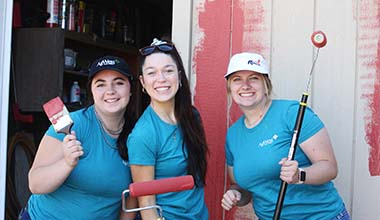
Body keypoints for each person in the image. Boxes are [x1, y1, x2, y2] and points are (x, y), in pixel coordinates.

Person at [221, 52, 350, 220]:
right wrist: (235, 194)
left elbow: (329, 167)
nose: (245, 85)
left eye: (254, 78)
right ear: (230, 88)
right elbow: (243, 188)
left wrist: (300, 175)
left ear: (266, 84)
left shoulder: (292, 113)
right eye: (237, 79)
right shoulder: (233, 135)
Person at [21, 55, 139, 220]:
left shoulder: (138, 134)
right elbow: (35, 184)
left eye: (119, 82)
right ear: (91, 89)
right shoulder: (71, 123)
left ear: (130, 89)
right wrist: (67, 163)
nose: (110, 91)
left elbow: (131, 197)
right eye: (101, 84)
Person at [127, 38, 209, 219]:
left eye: (168, 71)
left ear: (179, 76)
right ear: (142, 82)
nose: (161, 79)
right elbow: (146, 203)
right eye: (151, 73)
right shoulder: (143, 135)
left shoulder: (192, 117)